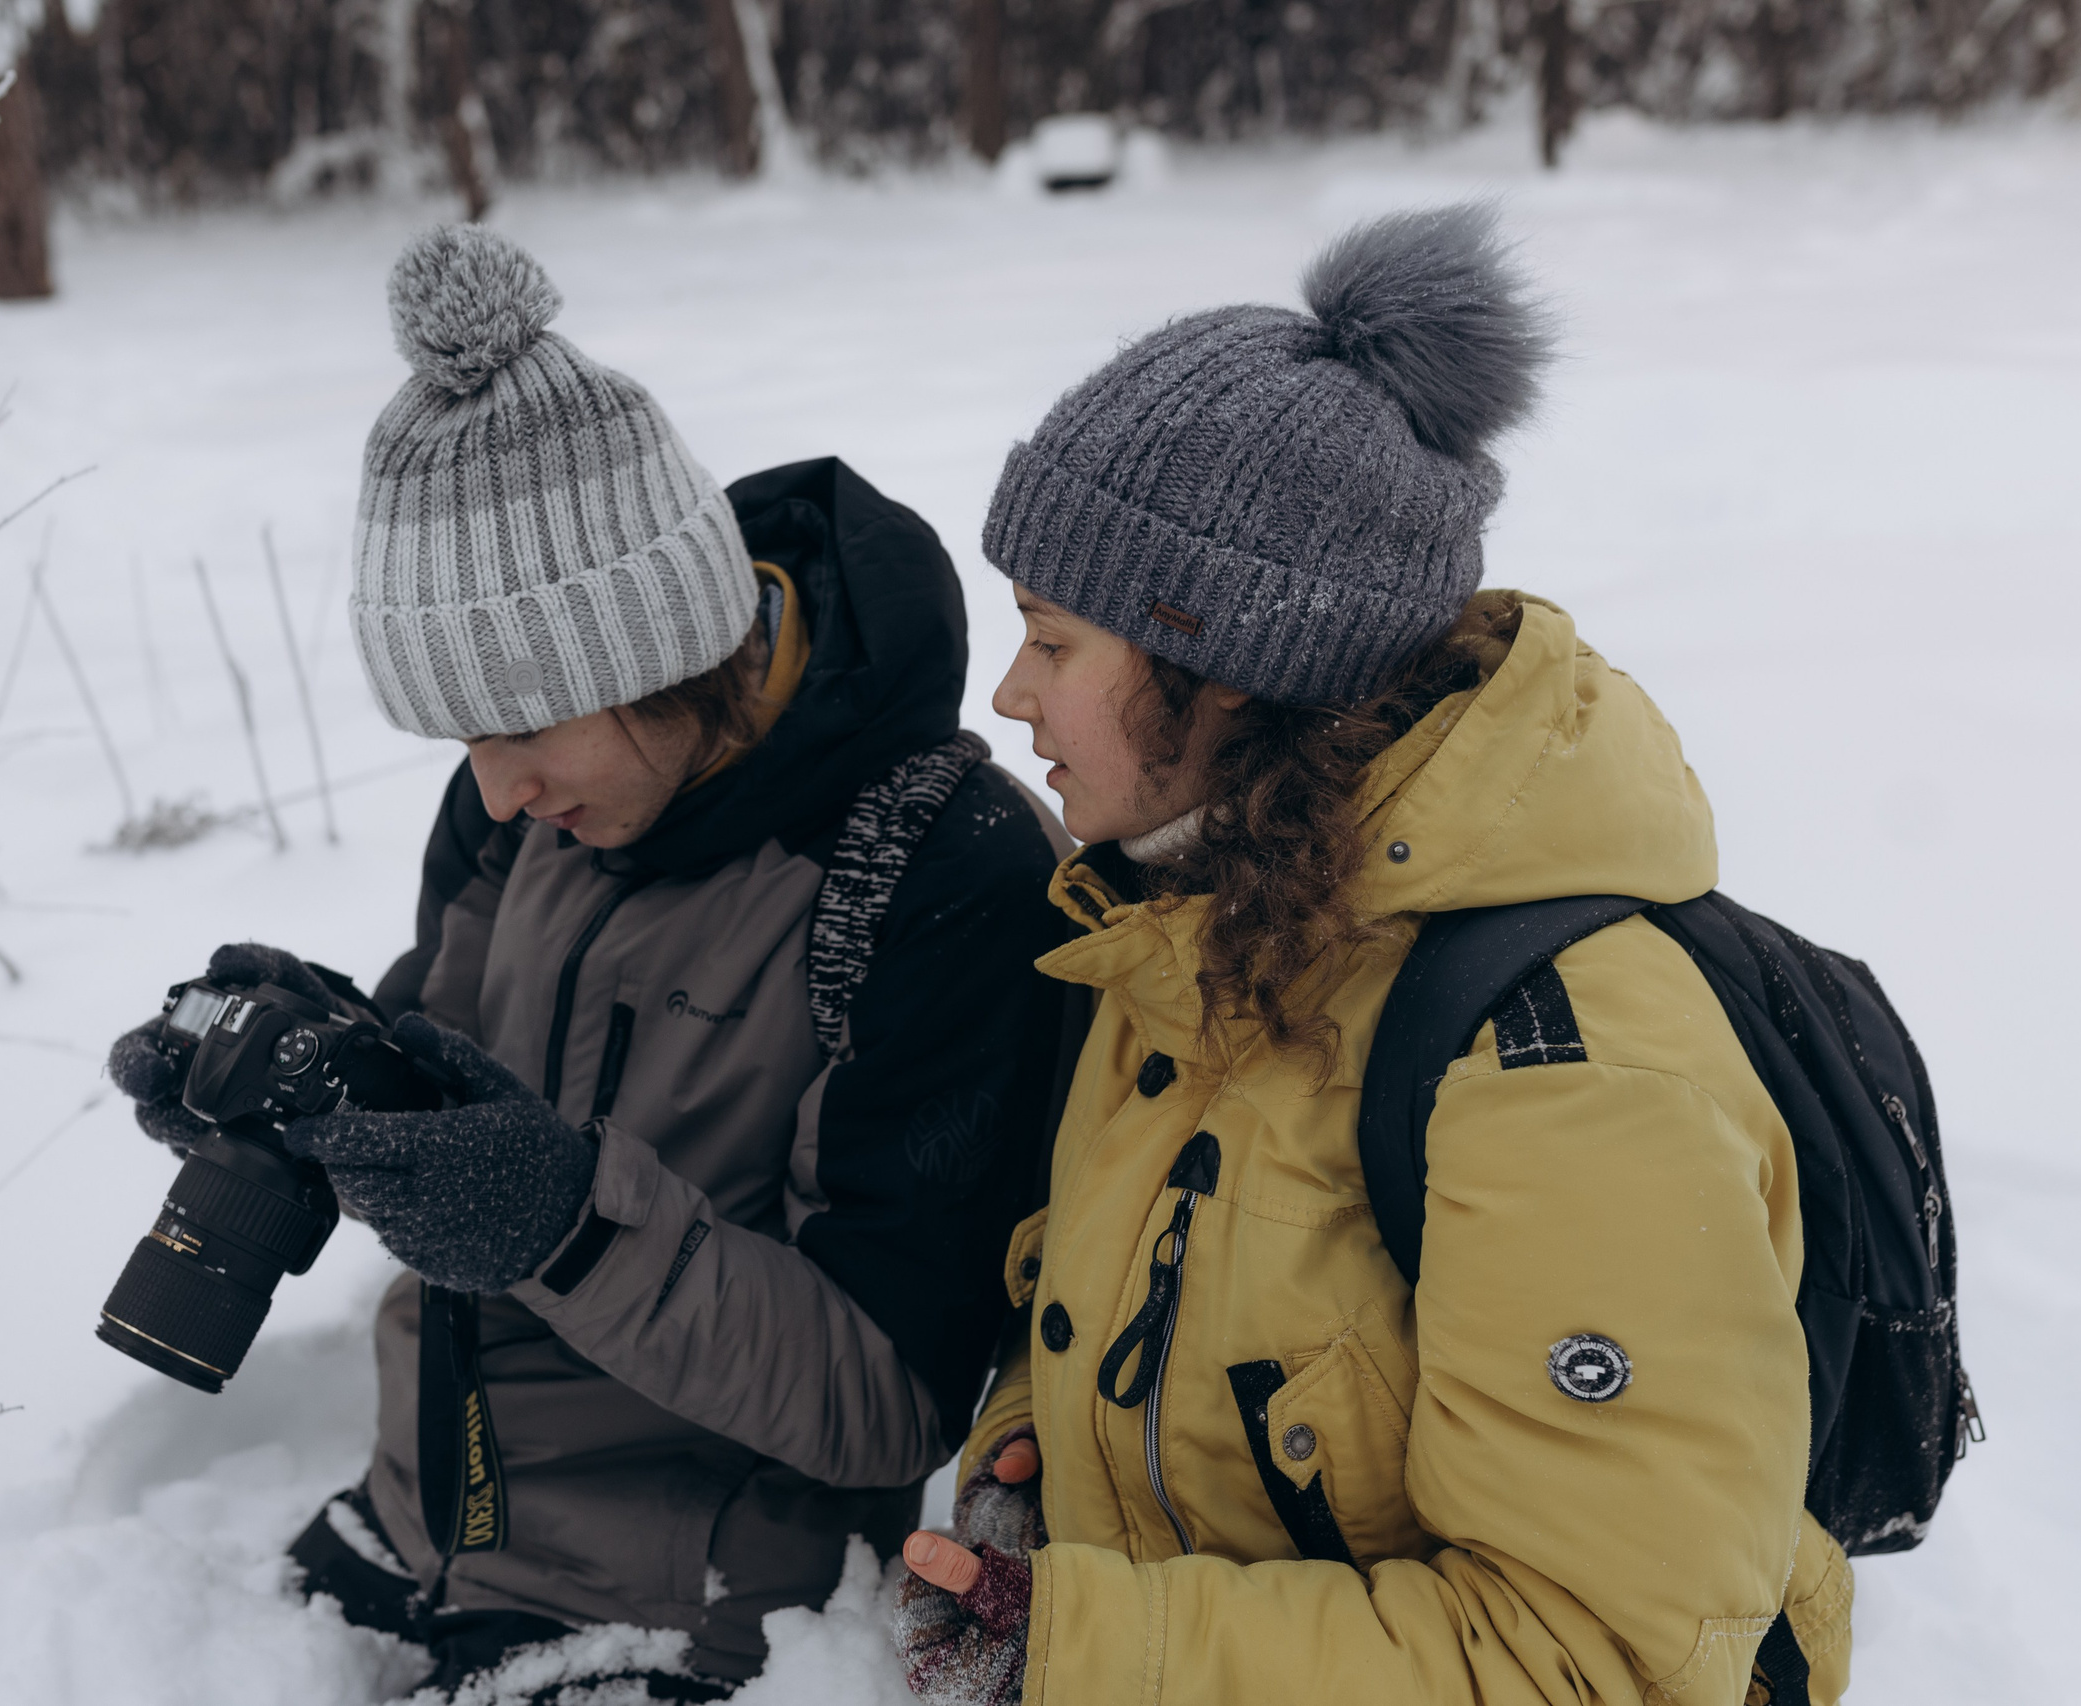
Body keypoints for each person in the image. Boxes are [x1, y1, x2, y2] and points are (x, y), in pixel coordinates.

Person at [892, 205, 1855, 1706]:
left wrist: (1090, 1650)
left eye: (1054, 639)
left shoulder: (1564, 1070)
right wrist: (1038, 1433)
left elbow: (1598, 1657)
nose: (1010, 692)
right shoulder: (1186, 932)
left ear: (1225, 665)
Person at [109, 225, 1073, 1699]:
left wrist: (565, 1224)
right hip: (421, 1519)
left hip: (704, 1608)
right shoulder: (529, 804)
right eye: (463, 745)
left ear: (662, 651)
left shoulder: (936, 873)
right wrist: (297, 1090)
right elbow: (449, 1093)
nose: (493, 793)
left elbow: (890, 1401)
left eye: (520, 732)